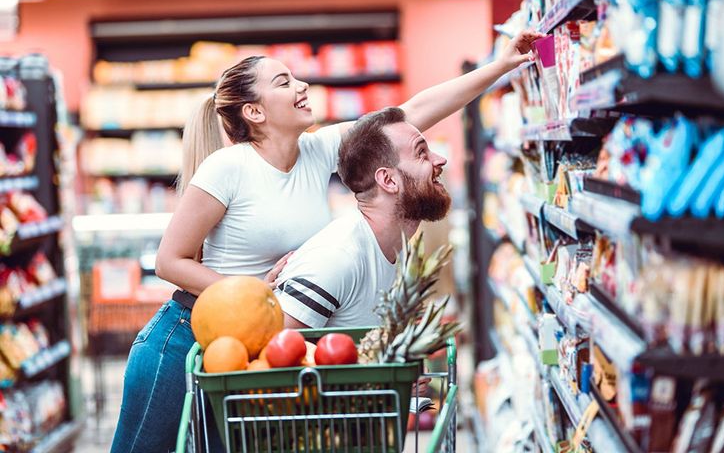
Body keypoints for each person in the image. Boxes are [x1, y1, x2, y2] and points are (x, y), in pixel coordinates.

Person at [110, 29, 543, 453]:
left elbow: (409, 114)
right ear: (255, 113)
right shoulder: (228, 169)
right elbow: (170, 261)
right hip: (182, 340)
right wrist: (254, 291)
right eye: (284, 82)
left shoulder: (317, 151)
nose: (302, 86)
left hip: (247, 353)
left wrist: (499, 68)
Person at [273, 107, 449, 328]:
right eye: (421, 153)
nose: (440, 160)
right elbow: (274, 354)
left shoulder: (395, 247)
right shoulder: (336, 260)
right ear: (388, 180)